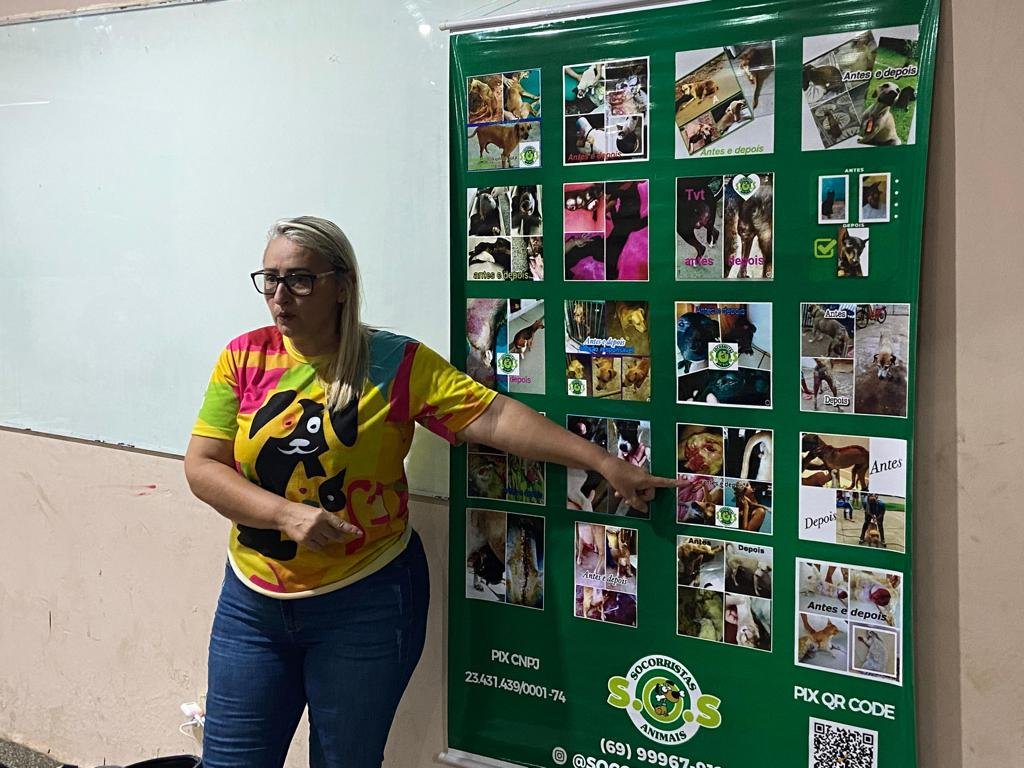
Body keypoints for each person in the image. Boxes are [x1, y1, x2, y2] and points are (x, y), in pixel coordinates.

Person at [183, 216, 677, 768]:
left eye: (299, 280)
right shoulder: (244, 356)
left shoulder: (395, 361)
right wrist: (284, 516)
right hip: (253, 603)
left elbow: (492, 418)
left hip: (364, 600)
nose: (279, 297)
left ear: (341, 284)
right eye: (269, 279)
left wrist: (604, 461)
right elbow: (203, 467)